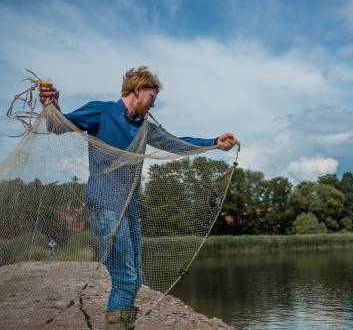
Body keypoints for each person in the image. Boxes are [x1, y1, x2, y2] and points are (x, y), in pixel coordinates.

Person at [39, 66, 239, 330]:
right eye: (152, 96)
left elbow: (176, 143)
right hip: (105, 204)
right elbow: (56, 126)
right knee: (125, 276)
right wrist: (52, 103)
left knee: (135, 278)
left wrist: (214, 141)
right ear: (137, 90)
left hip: (129, 207)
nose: (154, 102)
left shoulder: (145, 127)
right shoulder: (102, 111)